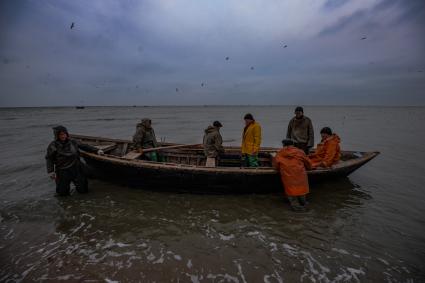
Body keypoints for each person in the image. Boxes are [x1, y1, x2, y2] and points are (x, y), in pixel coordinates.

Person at [45, 125, 103, 196]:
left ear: (67, 134)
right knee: (63, 194)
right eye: (60, 135)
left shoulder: (73, 142)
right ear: (57, 135)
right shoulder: (53, 145)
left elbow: (84, 146)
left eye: (64, 134)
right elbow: (49, 158)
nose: (63, 136)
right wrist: (50, 171)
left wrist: (97, 150)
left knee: (83, 190)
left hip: (76, 168)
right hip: (62, 171)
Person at [273, 139, 312, 211]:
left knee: (293, 199)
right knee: (302, 197)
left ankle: (297, 209)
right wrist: (309, 168)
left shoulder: (279, 154)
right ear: (293, 145)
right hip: (301, 179)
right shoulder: (300, 152)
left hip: (289, 180)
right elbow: (309, 164)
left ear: (283, 145)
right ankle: (305, 206)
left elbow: (276, 166)